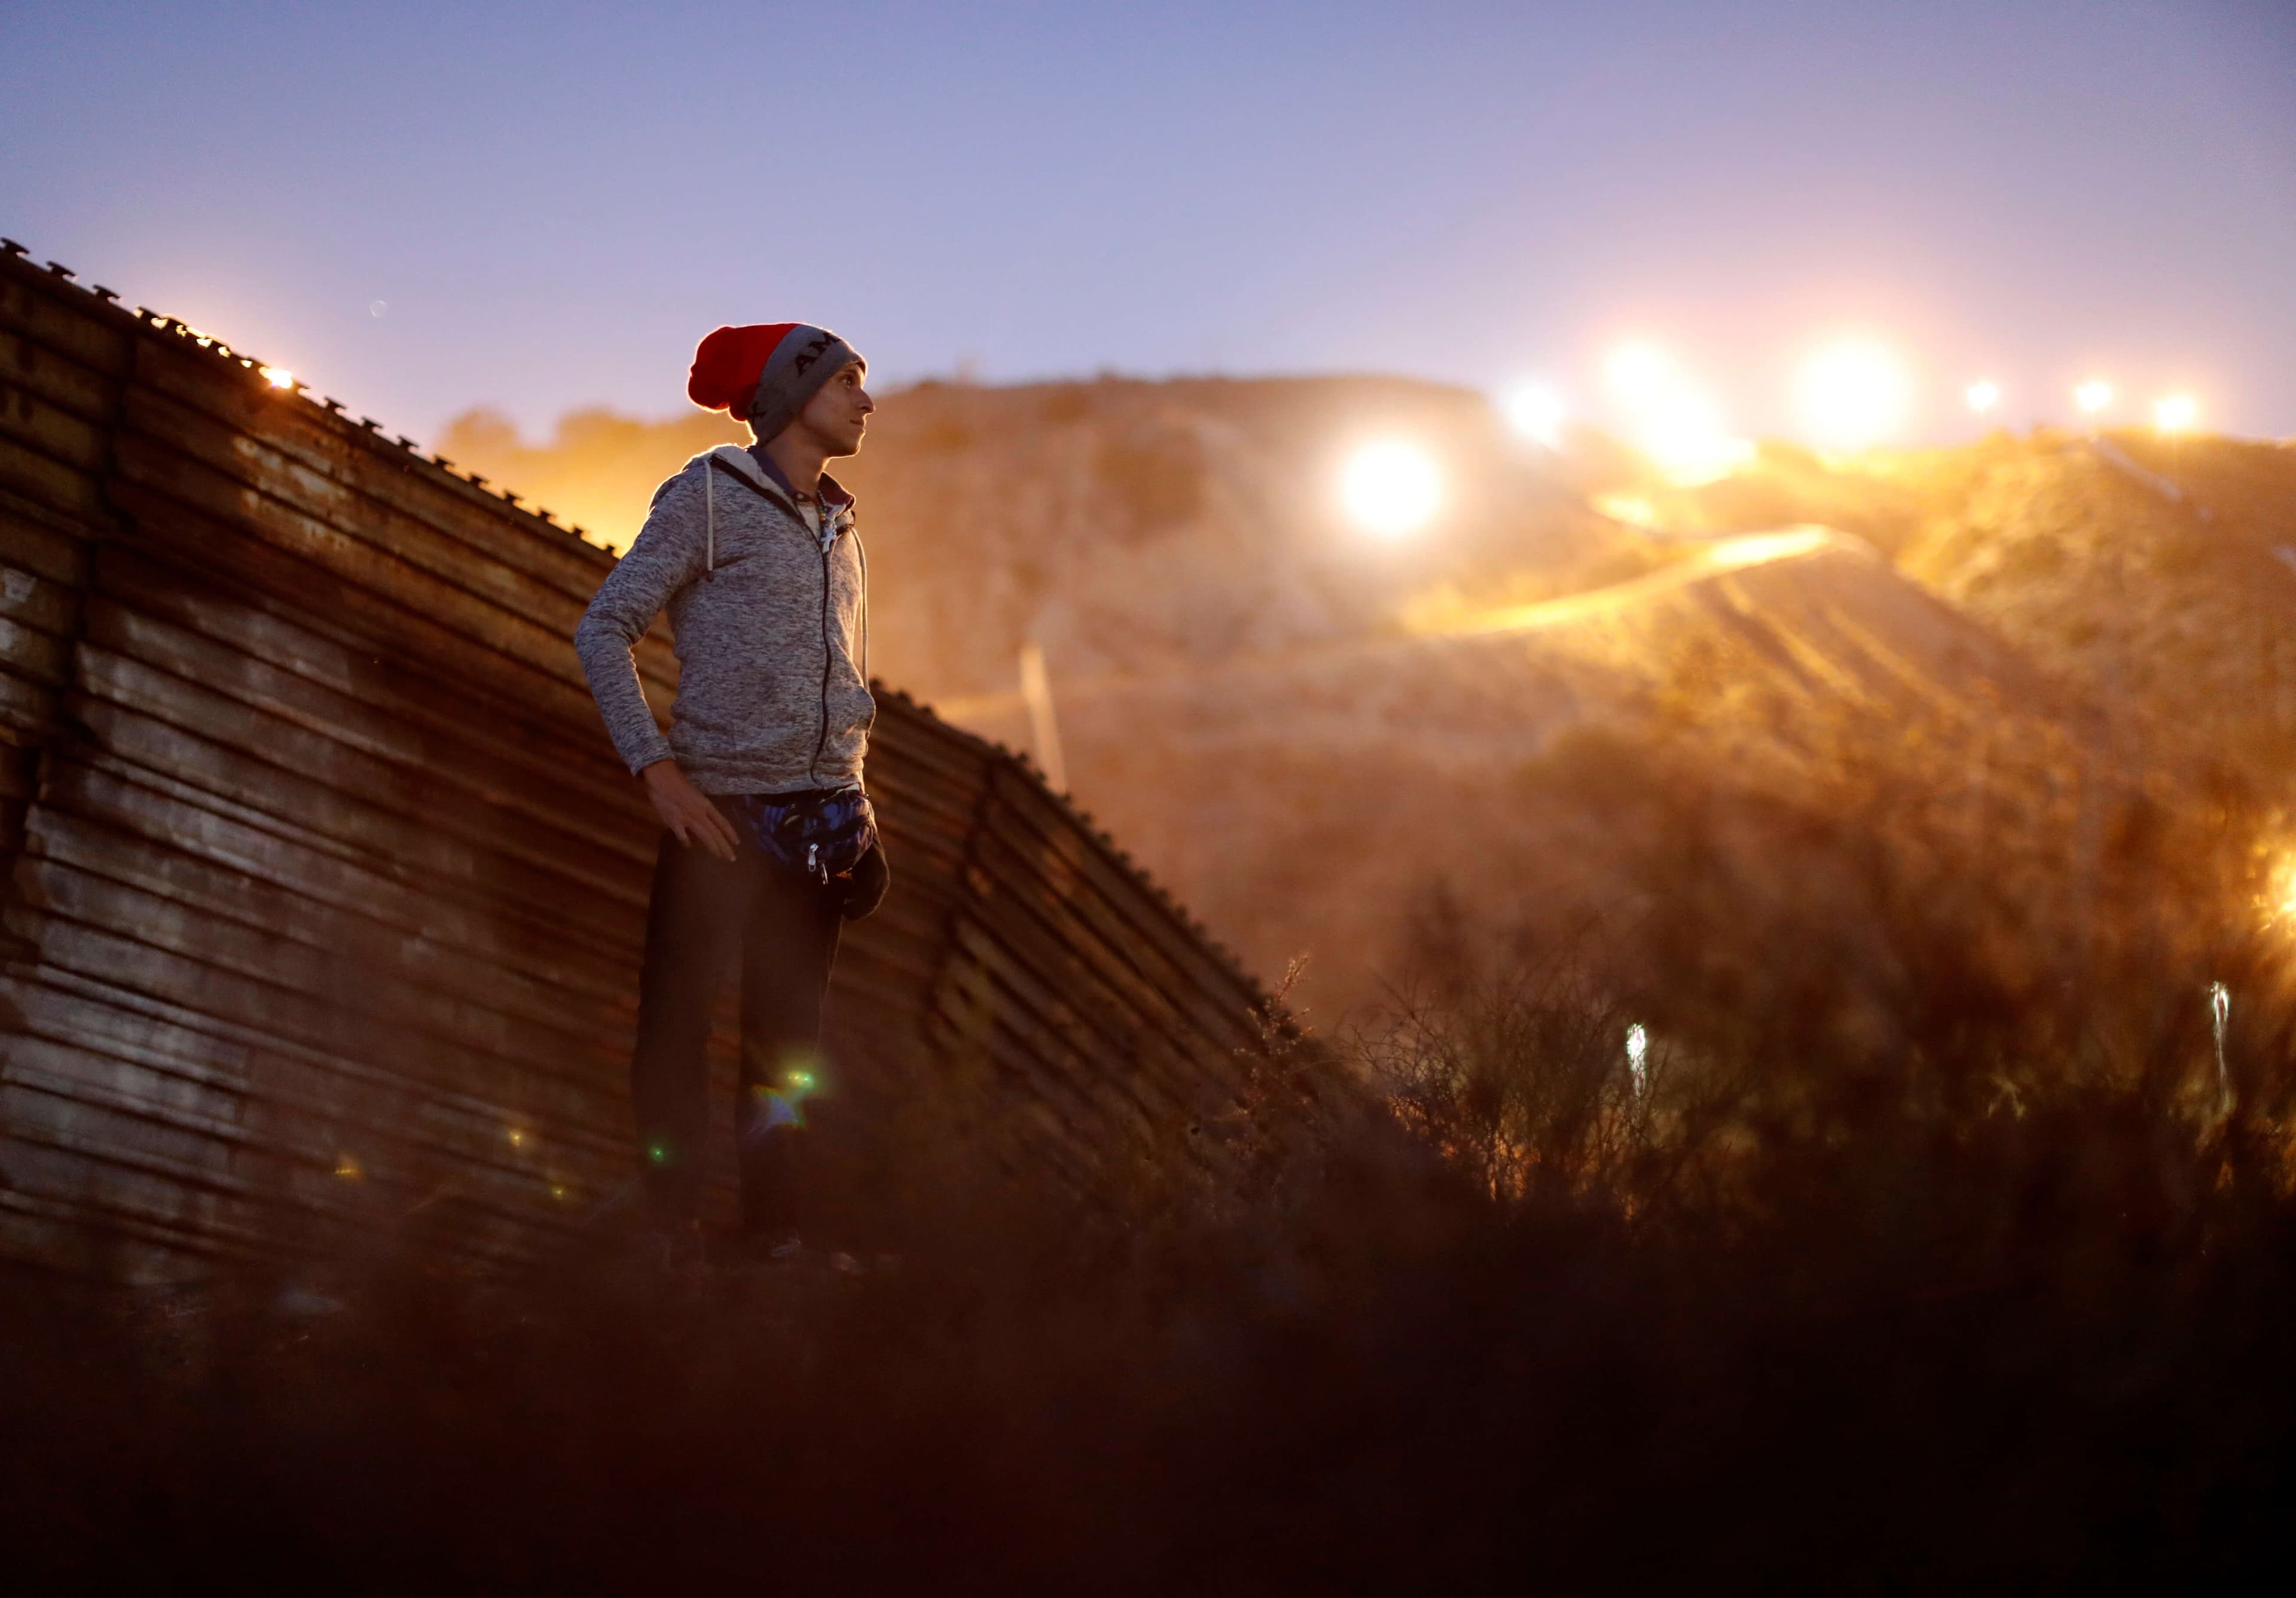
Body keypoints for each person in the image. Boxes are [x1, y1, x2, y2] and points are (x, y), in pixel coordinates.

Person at [574, 322, 889, 1263]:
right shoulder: (707, 501)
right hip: (721, 820)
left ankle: (773, 1245)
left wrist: (858, 802)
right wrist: (657, 771)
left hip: (825, 823)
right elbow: (604, 630)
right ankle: (669, 1236)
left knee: (785, 1049)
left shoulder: (840, 524)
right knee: (674, 1031)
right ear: (793, 398)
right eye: (848, 384)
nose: (867, 403)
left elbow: (842, 677)